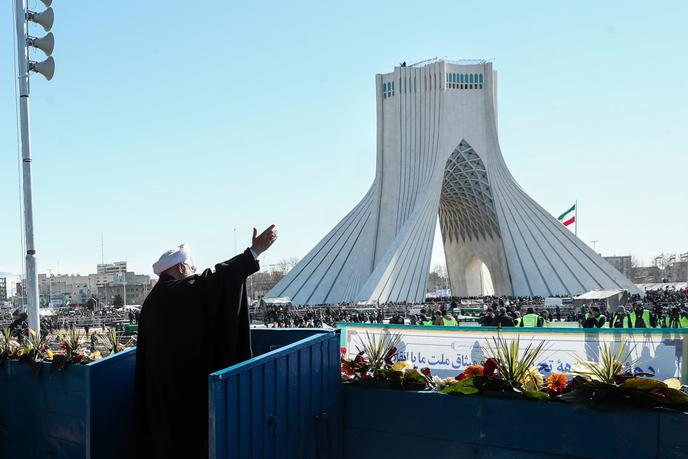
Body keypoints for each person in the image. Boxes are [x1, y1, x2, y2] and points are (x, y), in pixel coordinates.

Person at [134, 225, 277, 459]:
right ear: (180, 267)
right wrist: (254, 251)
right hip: (187, 405)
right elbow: (219, 280)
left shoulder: (153, 301)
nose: (194, 272)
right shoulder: (180, 291)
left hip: (161, 403)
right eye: (191, 267)